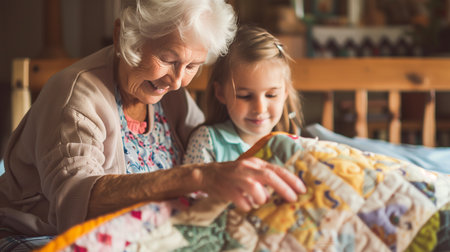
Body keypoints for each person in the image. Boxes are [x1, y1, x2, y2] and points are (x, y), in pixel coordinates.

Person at [0, 0, 305, 242]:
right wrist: (199, 177)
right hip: (43, 236)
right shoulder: (77, 97)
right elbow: (75, 202)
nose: (176, 81)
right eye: (169, 60)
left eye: (193, 66)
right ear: (124, 36)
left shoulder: (167, 93)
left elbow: (210, 141)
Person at [184, 25, 303, 164]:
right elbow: (191, 184)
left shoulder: (291, 142)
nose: (260, 108)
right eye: (245, 96)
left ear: (285, 93)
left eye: (271, 95)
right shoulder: (207, 141)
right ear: (221, 93)